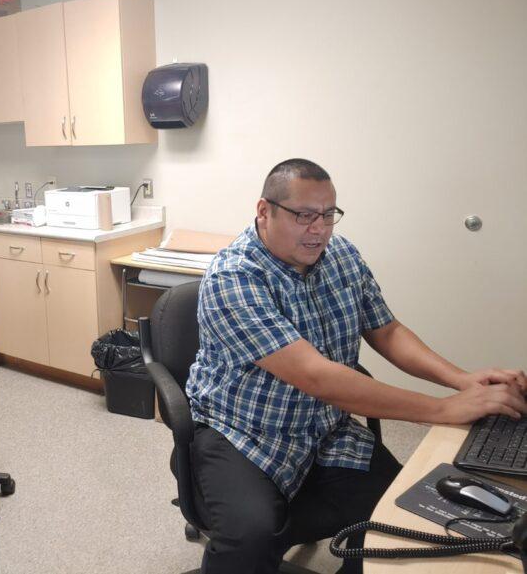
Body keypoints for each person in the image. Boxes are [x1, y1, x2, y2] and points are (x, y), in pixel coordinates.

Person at [185, 158, 527, 574]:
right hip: (245, 433)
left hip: (325, 429)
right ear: (264, 211)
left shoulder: (341, 255)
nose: (320, 229)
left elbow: (386, 330)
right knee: (250, 538)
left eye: (329, 215)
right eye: (305, 216)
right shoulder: (233, 277)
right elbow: (316, 376)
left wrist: (460, 380)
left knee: (400, 515)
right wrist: (442, 409)